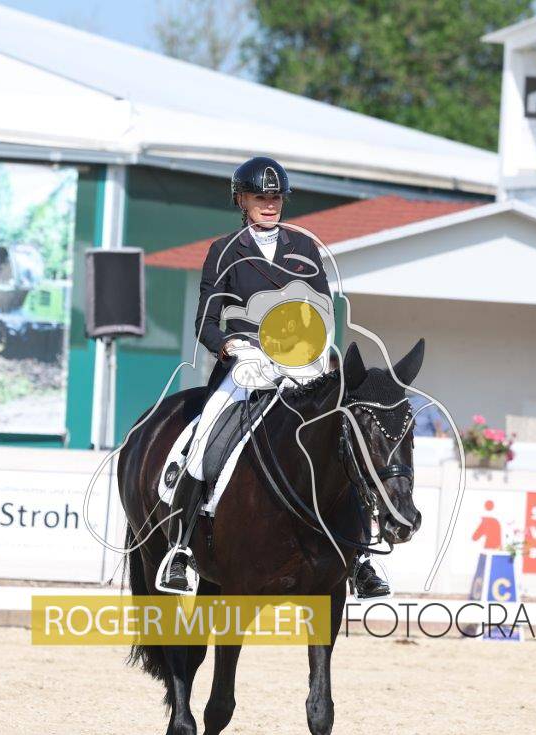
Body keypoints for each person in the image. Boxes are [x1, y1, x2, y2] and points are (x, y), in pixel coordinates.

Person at [157, 156, 389, 599]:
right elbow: (206, 321)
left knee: (345, 441)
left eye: (276, 196)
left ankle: (361, 558)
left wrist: (318, 351)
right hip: (247, 364)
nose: (269, 204)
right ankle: (181, 548)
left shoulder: (304, 248)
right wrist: (227, 345)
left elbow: (321, 309)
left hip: (302, 363)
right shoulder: (224, 250)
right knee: (204, 443)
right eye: (259, 197)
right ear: (241, 200)